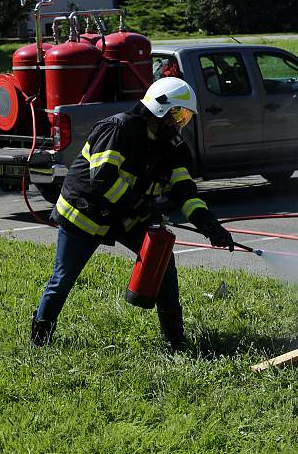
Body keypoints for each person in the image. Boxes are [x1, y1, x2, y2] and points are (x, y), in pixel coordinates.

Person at [30, 77, 235, 351]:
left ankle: (175, 341)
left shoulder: (168, 146)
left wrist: (211, 227)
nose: (180, 123)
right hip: (84, 214)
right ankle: (40, 339)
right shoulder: (118, 129)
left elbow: (185, 192)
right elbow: (102, 179)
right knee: (63, 278)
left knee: (163, 264)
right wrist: (141, 207)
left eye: (184, 117)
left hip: (125, 216)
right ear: (162, 110)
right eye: (178, 115)